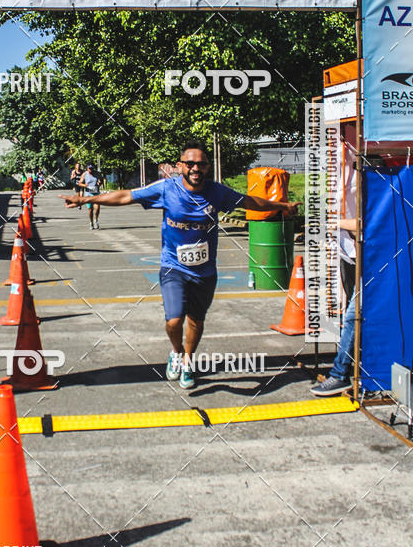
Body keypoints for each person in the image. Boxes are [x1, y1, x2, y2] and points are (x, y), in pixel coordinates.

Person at [61, 141, 298, 388]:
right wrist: (86, 200)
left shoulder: (217, 192)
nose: (196, 168)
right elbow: (126, 196)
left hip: (205, 272)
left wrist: (282, 206)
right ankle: (176, 352)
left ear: (207, 167)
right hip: (174, 267)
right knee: (174, 320)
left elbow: (249, 202)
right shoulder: (166, 188)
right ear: (180, 166)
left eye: (201, 164)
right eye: (190, 164)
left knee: (196, 321)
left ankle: (188, 361)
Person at [311, 218, 357, 397]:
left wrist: (338, 223)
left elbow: (366, 223)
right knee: (351, 314)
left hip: (373, 261)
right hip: (352, 257)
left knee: (353, 316)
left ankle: (340, 374)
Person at [79, 163, 104, 229]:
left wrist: (100, 183)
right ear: (87, 168)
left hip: (96, 193)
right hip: (88, 194)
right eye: (89, 169)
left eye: (92, 168)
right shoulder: (85, 174)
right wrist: (85, 185)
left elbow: (101, 180)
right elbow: (80, 183)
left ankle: (96, 220)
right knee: (90, 210)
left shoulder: (97, 173)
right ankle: (91, 222)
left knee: (97, 208)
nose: (91, 170)